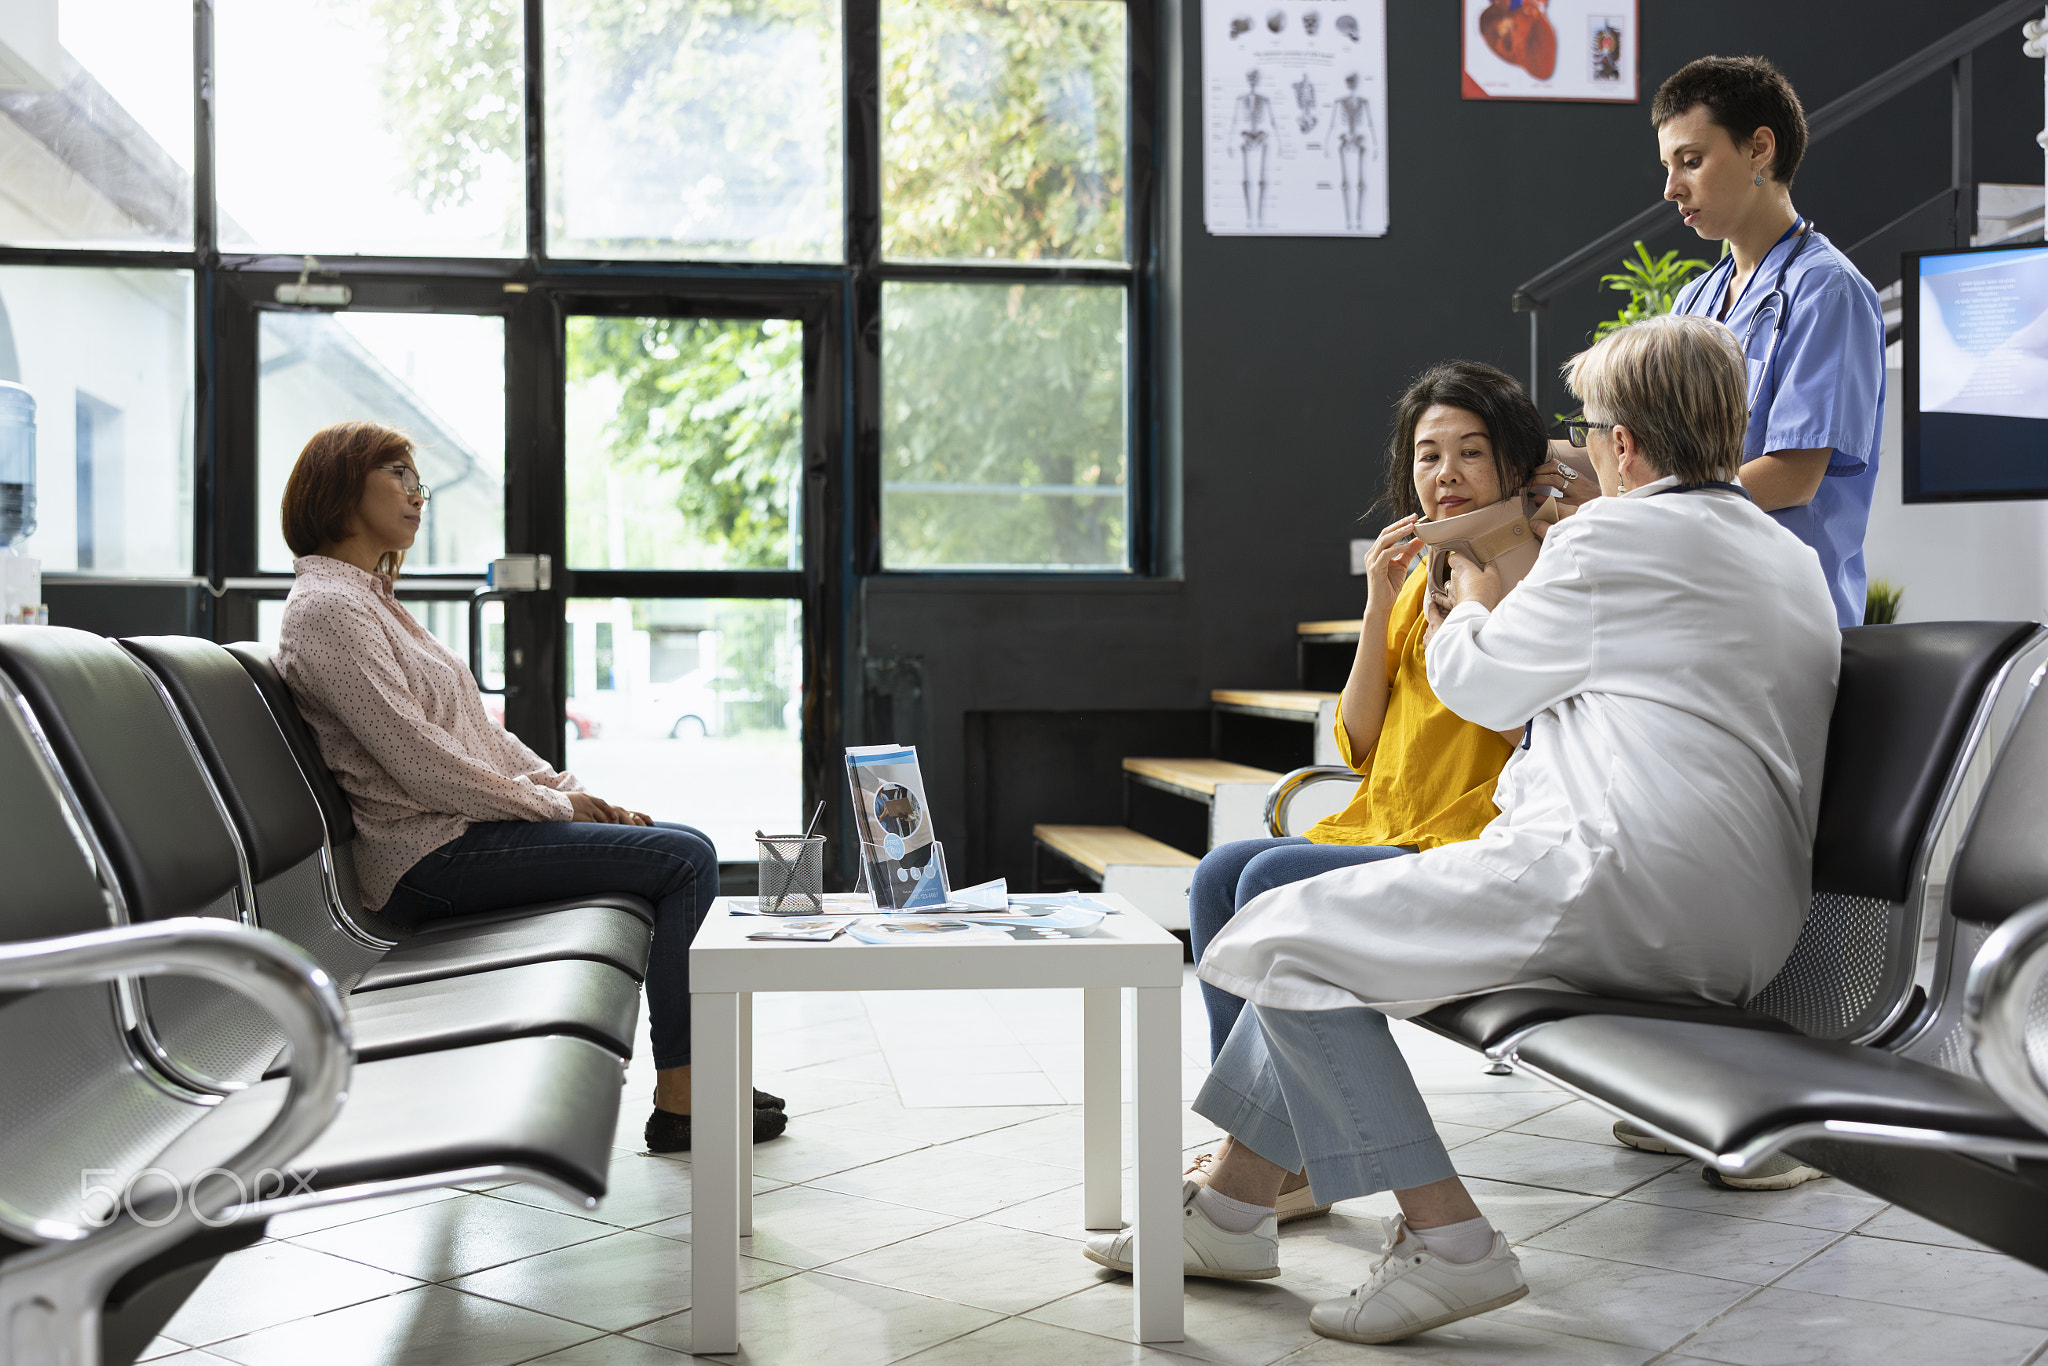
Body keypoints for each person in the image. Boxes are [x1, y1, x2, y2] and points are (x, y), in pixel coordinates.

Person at [1085, 314, 1838, 1345]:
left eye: (1588, 429)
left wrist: (1473, 598)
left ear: (1622, 443)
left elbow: (1479, 685)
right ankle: (1228, 1211)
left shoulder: (1616, 539)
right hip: (1744, 922)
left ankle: (1451, 1243)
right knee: (1302, 932)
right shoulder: (1785, 555)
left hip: (1615, 882)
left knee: (1275, 937)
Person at [272, 420, 786, 1155]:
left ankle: (692, 1081)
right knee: (684, 860)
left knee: (678, 845)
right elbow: (420, 762)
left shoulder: (370, 601)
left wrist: (570, 791)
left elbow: (478, 736)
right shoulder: (327, 608)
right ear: (338, 486)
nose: (418, 495)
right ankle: (684, 1094)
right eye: (398, 475)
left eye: (420, 482)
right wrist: (556, 806)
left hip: (459, 834)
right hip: (428, 857)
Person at [1184, 362, 1580, 1222]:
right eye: (1429, 455)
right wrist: (1377, 602)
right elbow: (1359, 743)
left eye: (1472, 451)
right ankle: (1276, 1154)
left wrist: (1477, 607)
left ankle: (1271, 1159)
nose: (1446, 474)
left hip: (1465, 839)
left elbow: (1524, 722)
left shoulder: (1534, 569)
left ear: (1516, 462)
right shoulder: (1426, 573)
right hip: (1386, 818)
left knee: (1268, 880)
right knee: (1219, 874)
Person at [1651, 55, 1885, 629]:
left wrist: (1647, 513)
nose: (1671, 188)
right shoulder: (1694, 300)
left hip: (1787, 615)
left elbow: (1793, 475)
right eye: (1668, 166)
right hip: (1702, 595)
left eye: (1691, 161)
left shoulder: (1828, 291)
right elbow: (1649, 446)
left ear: (1759, 149)